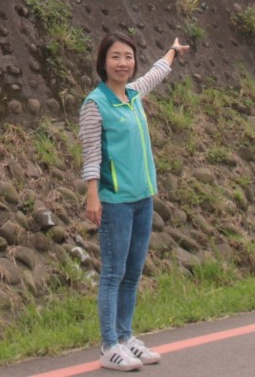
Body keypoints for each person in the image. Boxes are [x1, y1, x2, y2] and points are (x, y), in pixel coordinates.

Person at [80, 31, 189, 371]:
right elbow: (91, 155)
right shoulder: (94, 104)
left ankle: (126, 337)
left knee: (133, 273)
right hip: (115, 202)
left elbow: (156, 73)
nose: (123, 63)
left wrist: (171, 52)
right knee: (113, 273)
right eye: (115, 57)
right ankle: (109, 345)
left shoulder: (133, 93)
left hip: (143, 198)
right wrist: (92, 195)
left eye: (128, 56)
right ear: (103, 62)